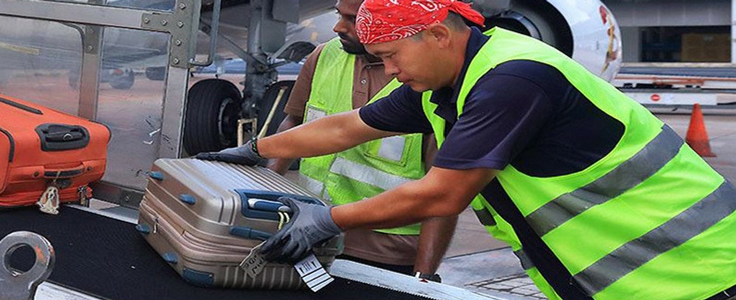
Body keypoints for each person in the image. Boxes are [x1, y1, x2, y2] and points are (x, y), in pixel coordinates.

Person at [197, 0, 736, 299]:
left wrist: (327, 220)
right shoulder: (443, 83)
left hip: (694, 274)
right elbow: (345, 128)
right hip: (621, 278)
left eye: (389, 55)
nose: (386, 71)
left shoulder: (511, 79)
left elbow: (445, 193)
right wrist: (255, 149)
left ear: (436, 35)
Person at [244, 0, 456, 282]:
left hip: (386, 251)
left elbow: (441, 195)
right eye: (338, 14)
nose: (338, 27)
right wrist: (259, 192)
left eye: (353, 19)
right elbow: (302, 124)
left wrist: (423, 278)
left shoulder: (424, 81)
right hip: (308, 233)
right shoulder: (324, 56)